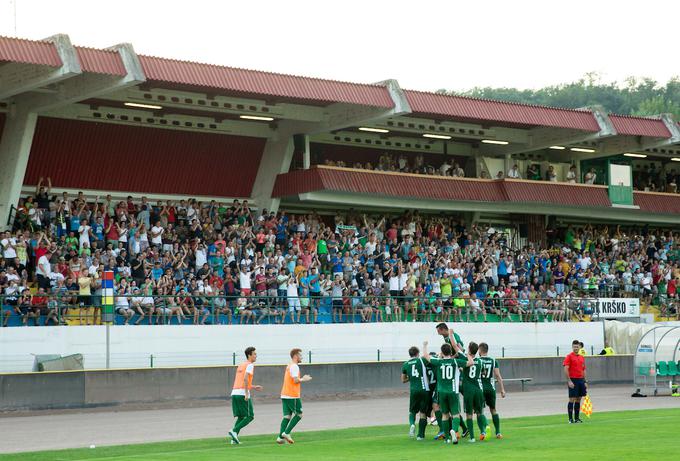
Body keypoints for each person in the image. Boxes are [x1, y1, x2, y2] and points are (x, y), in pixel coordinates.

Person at [422, 340, 472, 445]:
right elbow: (471, 363)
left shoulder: (439, 362)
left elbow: (426, 356)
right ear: (450, 352)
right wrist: (467, 353)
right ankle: (453, 429)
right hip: (453, 391)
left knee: (444, 415)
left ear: (442, 352)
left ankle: (447, 438)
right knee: (456, 414)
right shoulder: (455, 362)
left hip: (441, 392)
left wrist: (425, 345)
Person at [228, 346, 263, 444]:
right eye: (254, 354)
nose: (256, 356)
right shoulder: (250, 365)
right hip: (242, 393)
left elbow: (241, 381)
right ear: (249, 355)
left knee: (241, 416)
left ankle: (233, 439)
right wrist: (247, 393)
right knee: (250, 416)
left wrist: (254, 386)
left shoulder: (241, 365)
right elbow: (245, 379)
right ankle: (234, 431)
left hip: (235, 393)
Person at [278, 348, 312, 444]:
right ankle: (287, 433)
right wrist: (304, 379)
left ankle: (280, 437)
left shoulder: (289, 366)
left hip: (285, 394)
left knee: (287, 416)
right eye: (300, 355)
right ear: (296, 356)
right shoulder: (294, 366)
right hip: (292, 395)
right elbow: (295, 380)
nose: (301, 357)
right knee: (299, 414)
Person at [401, 346, 431, 440]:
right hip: (424, 389)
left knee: (412, 411)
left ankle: (412, 424)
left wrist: (411, 377)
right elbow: (430, 360)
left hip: (413, 390)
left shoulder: (405, 364)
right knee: (423, 413)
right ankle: (420, 436)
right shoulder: (421, 360)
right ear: (418, 353)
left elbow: (403, 380)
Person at [460, 342, 488, 442]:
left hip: (468, 390)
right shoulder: (480, 361)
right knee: (479, 412)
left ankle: (472, 437)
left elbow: (462, 368)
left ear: (469, 349)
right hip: (478, 389)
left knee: (469, 414)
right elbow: (484, 373)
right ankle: (483, 431)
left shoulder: (465, 359)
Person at [478, 342, 506, 439]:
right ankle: (498, 432)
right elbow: (498, 375)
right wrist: (502, 389)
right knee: (493, 410)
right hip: (491, 388)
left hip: (480, 388)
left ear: (480, 350)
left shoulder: (477, 360)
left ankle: (483, 431)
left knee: (480, 411)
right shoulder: (493, 360)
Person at [563, 339, 587, 423]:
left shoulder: (581, 357)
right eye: (574, 347)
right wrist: (569, 381)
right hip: (573, 380)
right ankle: (570, 419)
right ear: (572, 347)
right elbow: (566, 368)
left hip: (581, 380)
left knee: (578, 399)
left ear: (579, 347)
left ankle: (577, 418)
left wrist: (585, 381)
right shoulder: (569, 356)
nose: (575, 348)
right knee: (572, 399)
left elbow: (583, 370)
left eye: (577, 347)